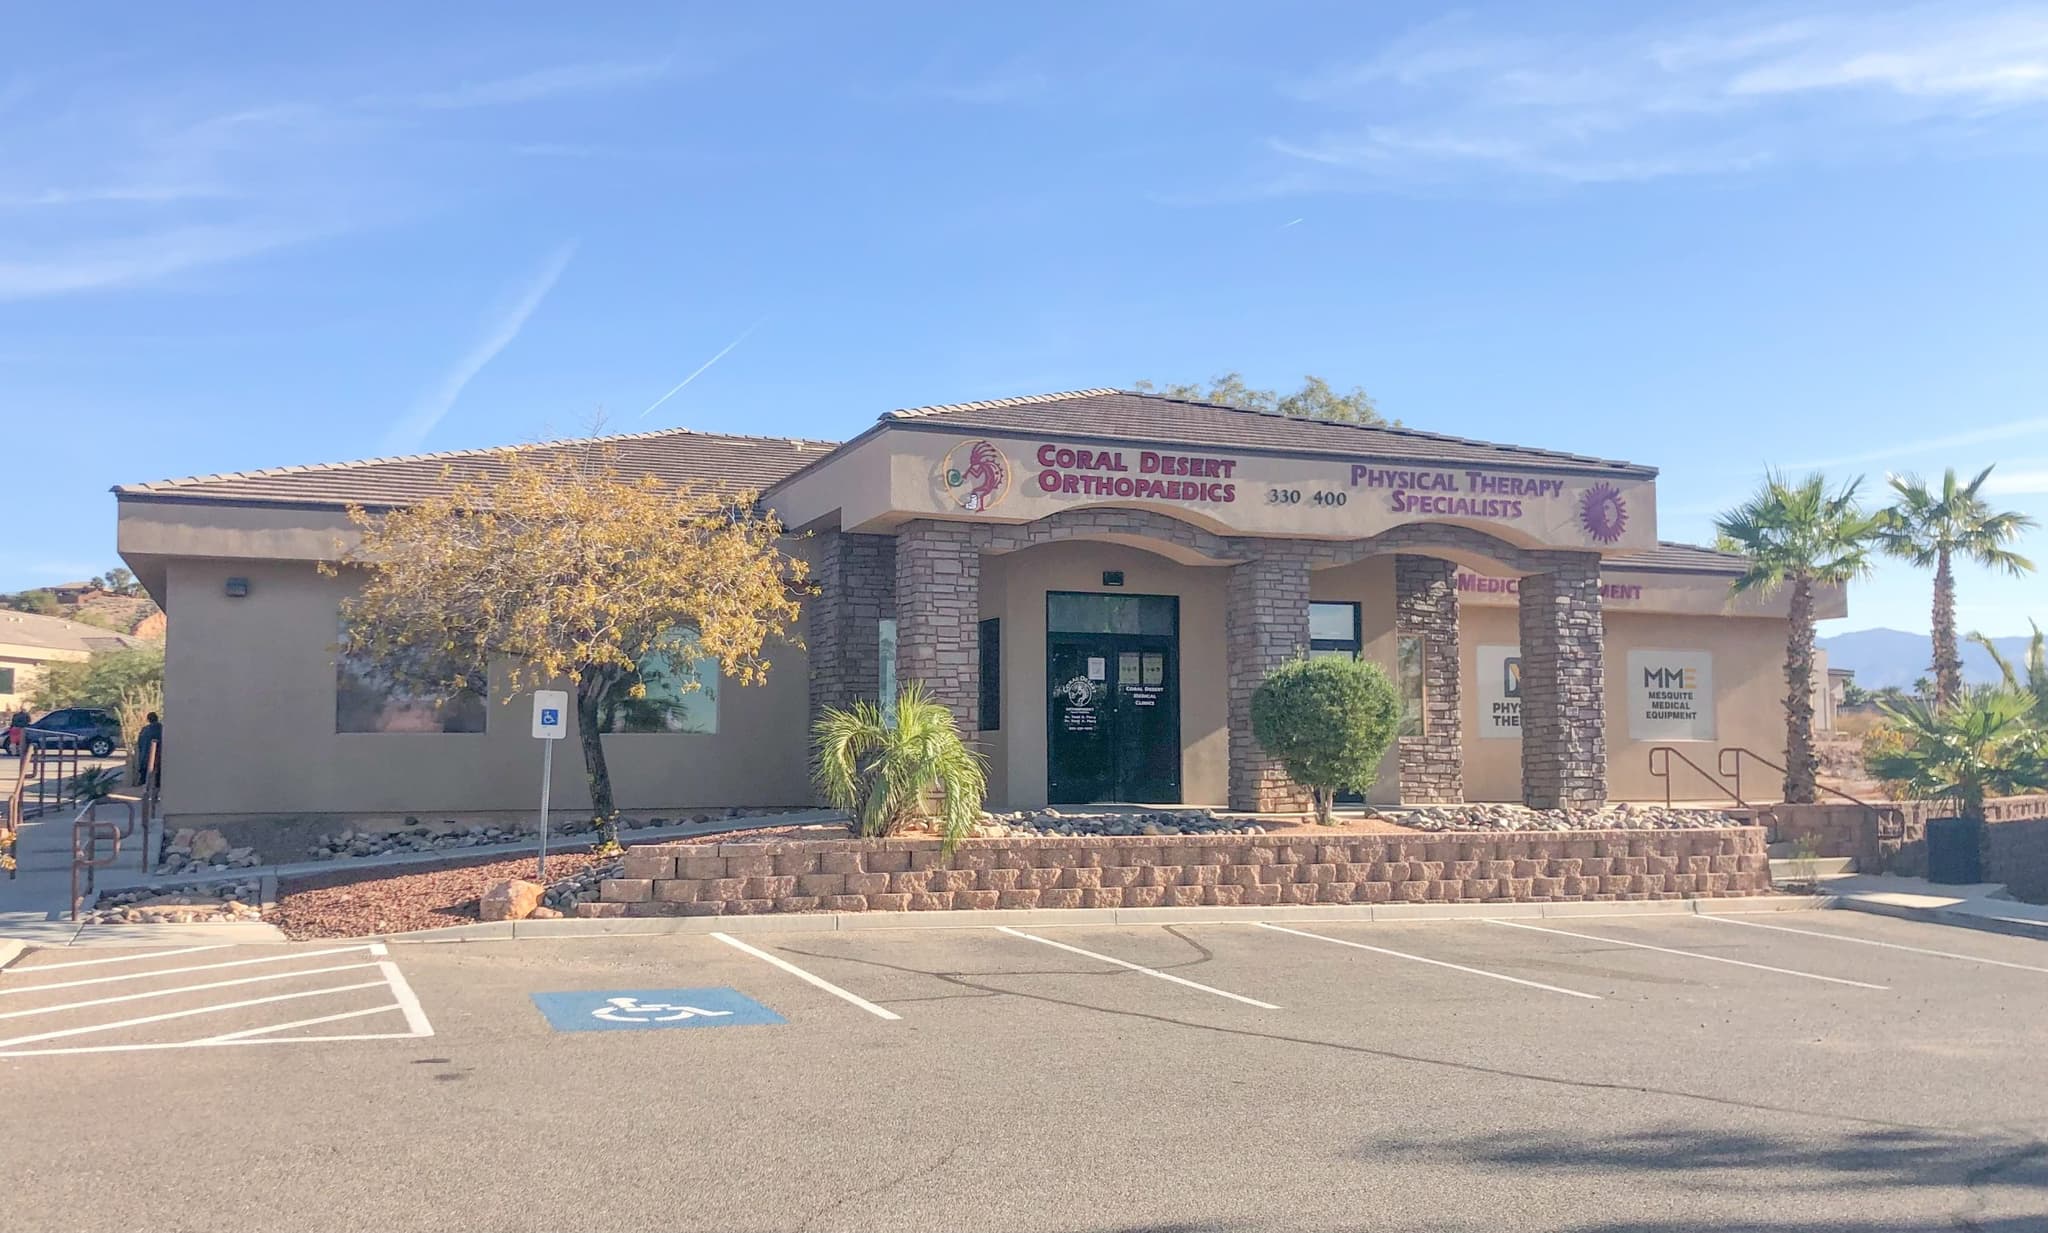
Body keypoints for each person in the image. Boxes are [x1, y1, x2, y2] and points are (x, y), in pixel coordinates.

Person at [135, 712, 163, 787]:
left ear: (148, 719)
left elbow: (139, 743)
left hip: (145, 755)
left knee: (145, 769)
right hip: (158, 755)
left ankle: (143, 781)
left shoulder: (145, 730)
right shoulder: (161, 728)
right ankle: (156, 785)